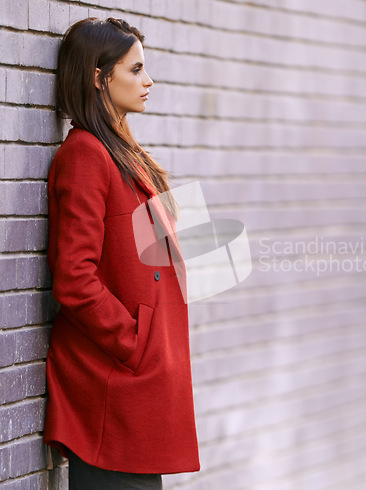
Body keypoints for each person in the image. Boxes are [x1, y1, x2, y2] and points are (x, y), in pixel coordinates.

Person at [43, 17, 200, 488]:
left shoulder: (123, 153)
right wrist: (136, 340)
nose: (148, 81)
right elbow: (74, 277)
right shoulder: (85, 155)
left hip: (142, 380)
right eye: (135, 70)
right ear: (99, 76)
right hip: (112, 383)